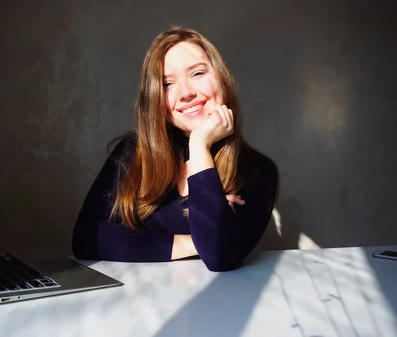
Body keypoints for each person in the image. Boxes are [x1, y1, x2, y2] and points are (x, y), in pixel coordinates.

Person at [72, 26, 278, 272]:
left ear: (222, 79)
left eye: (198, 73)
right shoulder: (132, 153)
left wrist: (200, 145)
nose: (187, 93)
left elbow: (220, 256)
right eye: (168, 84)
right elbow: (86, 239)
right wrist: (196, 239)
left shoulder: (258, 171)